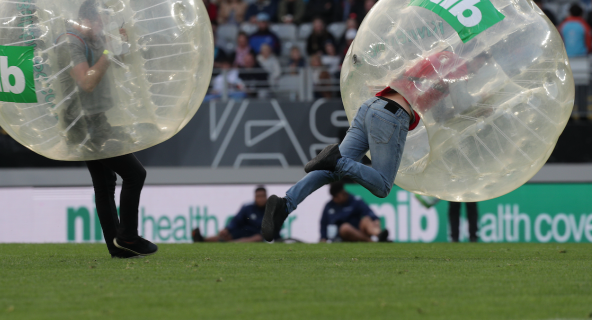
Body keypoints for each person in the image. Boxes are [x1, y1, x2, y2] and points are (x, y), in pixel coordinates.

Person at [261, 50, 479, 241]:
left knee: (329, 172)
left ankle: (285, 203)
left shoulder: (436, 58)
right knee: (383, 185)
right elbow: (464, 106)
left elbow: (440, 115)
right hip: (392, 116)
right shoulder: (459, 65)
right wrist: (483, 106)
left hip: (371, 107)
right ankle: (337, 160)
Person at [55, 0, 157, 258]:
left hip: (94, 119)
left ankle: (117, 247)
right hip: (83, 123)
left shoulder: (91, 38)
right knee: (135, 174)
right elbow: (86, 82)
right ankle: (128, 237)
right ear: (86, 21)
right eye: (101, 23)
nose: (103, 28)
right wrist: (109, 51)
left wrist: (123, 42)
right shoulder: (70, 43)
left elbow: (121, 60)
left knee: (105, 182)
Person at [191, 187, 277, 242]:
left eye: (262, 196)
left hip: (258, 236)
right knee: (227, 234)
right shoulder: (247, 208)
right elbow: (236, 220)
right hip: (244, 231)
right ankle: (202, 240)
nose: (260, 199)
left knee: (257, 238)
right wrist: (227, 229)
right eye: (258, 196)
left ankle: (230, 244)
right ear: (254, 197)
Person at [320, 182, 389, 242]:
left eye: (336, 196)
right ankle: (371, 242)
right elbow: (323, 223)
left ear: (342, 193)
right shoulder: (329, 206)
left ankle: (379, 235)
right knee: (345, 227)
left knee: (366, 219)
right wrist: (323, 238)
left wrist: (375, 220)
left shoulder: (355, 200)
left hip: (358, 230)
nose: (334, 199)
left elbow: (368, 212)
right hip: (341, 235)